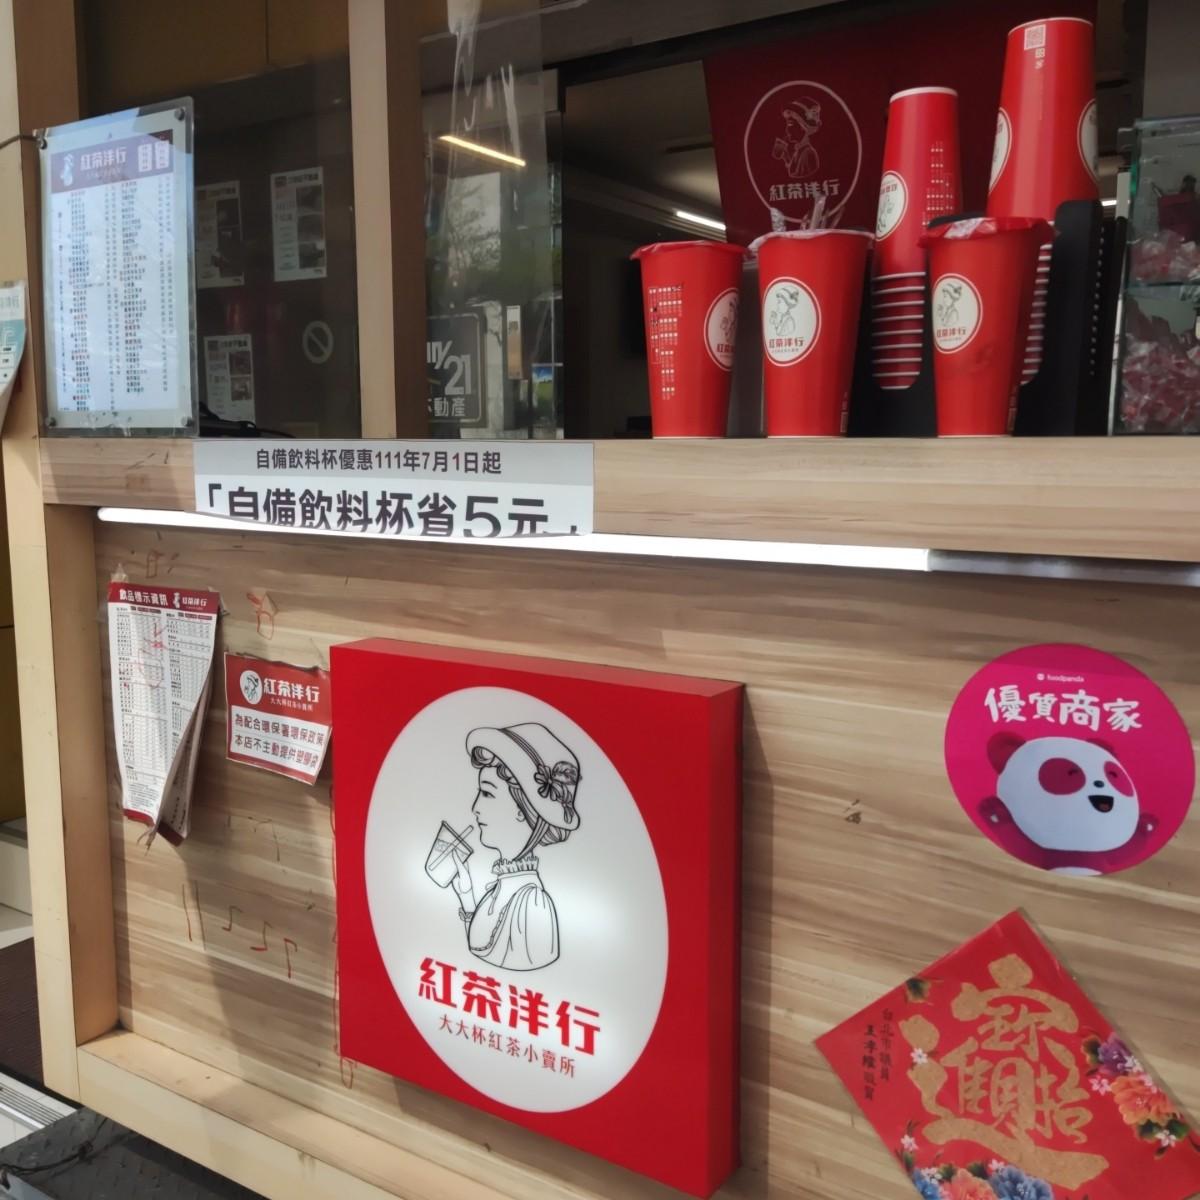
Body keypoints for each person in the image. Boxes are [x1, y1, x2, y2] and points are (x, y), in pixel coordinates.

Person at [447, 723, 581, 971]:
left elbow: (514, 975)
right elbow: (479, 961)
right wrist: (466, 895)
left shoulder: (534, 904)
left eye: (487, 793)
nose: (475, 807)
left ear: (522, 809)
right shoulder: (499, 888)